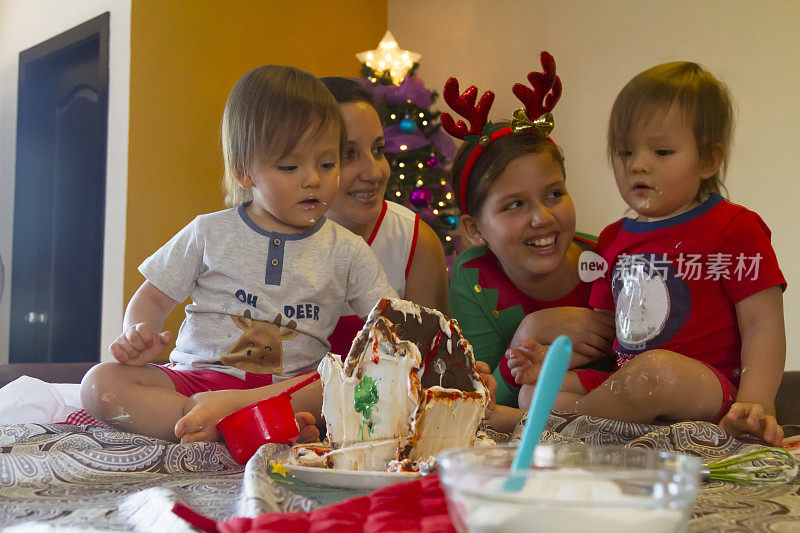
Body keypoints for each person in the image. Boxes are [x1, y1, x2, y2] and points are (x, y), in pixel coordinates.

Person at [80, 65, 397, 442]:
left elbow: (393, 326)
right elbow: (151, 296)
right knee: (100, 384)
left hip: (288, 391)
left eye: (328, 164)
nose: (313, 178)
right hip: (197, 380)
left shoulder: (348, 251)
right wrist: (138, 332)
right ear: (244, 171)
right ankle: (212, 421)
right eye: (291, 166)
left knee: (346, 382)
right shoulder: (207, 232)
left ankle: (230, 419)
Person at [511, 61, 787, 446]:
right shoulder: (613, 239)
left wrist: (756, 404)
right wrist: (556, 363)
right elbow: (607, 336)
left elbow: (763, 325)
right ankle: (633, 432)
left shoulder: (734, 227)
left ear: (708, 160)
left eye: (661, 151)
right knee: (534, 391)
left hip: (705, 387)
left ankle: (555, 426)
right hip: (628, 383)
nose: (638, 164)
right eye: (625, 152)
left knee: (655, 372)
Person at [446, 52, 615, 414]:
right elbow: (482, 401)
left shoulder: (608, 261)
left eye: (554, 194)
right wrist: (531, 330)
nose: (541, 218)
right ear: (475, 230)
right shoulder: (472, 278)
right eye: (514, 205)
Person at [319, 77, 449, 356]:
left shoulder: (417, 242)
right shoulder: (273, 240)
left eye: (378, 150)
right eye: (348, 154)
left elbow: (425, 367)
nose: (375, 172)